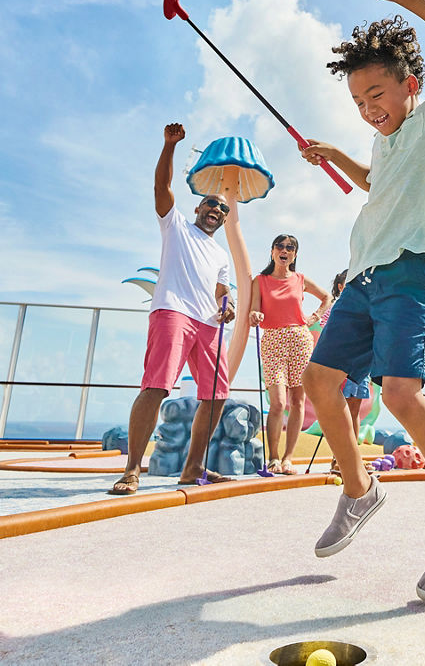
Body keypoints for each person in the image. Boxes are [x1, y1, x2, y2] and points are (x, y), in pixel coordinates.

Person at [299, 0, 425, 602]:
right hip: (363, 274)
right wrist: (337, 156)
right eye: (357, 103)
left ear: (410, 84)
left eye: (376, 96)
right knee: (318, 382)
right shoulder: (384, 143)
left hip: (413, 267)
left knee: (402, 395)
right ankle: (359, 490)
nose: (368, 109)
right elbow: (379, 185)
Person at [110, 123, 238, 495]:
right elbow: (161, 189)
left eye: (223, 208)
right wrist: (169, 147)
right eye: (211, 203)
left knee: (217, 396)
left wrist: (226, 307)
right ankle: (133, 468)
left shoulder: (220, 253)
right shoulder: (177, 225)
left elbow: (222, 291)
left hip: (209, 324)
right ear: (198, 206)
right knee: (156, 386)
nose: (216, 209)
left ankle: (193, 467)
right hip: (173, 313)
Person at [248, 234, 331, 474]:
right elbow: (254, 308)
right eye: (280, 246)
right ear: (272, 251)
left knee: (298, 402)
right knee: (278, 403)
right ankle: (273, 457)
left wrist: (313, 317)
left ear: (294, 254)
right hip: (272, 340)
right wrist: (255, 315)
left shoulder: (300, 279)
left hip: (300, 339)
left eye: (290, 247)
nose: (284, 250)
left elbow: (327, 297)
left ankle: (288, 458)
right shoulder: (260, 281)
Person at [321, 269, 374, 474]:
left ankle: (353, 458)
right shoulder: (334, 308)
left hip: (360, 365)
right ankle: (338, 458)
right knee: (339, 411)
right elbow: (329, 334)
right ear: (341, 287)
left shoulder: (365, 307)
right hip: (340, 364)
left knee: (354, 411)